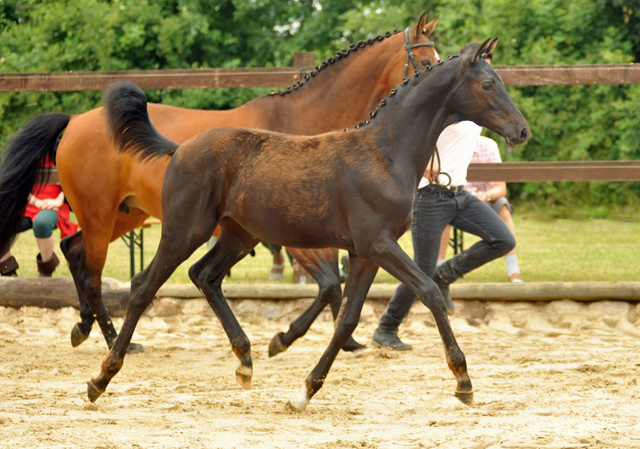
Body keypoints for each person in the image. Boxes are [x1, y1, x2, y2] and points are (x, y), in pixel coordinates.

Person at [371, 43, 517, 351]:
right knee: (420, 269)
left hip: (459, 195)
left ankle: (445, 274)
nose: (486, 71)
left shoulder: (476, 104)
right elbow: (414, 135)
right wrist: (426, 166)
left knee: (502, 239)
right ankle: (386, 328)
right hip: (430, 199)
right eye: (482, 64)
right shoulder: (448, 105)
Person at [438, 135, 523, 282]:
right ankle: (438, 270)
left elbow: (500, 187)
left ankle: (514, 271)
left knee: (502, 205)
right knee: (440, 209)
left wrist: (486, 195)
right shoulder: (447, 144)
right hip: (454, 200)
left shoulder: (488, 146)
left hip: (484, 201)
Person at [0, 155, 78, 277]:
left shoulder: (60, 152)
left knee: (42, 222)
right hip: (28, 206)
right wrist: (35, 201)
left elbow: (73, 179)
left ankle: (46, 270)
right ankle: (7, 271)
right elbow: (18, 184)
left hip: (53, 207)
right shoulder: (26, 153)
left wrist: (59, 200)